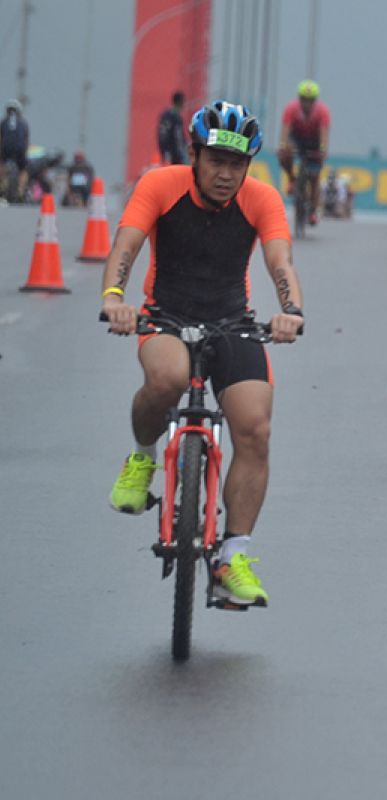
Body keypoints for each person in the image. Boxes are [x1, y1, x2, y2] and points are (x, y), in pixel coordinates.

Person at [100, 100, 304, 606]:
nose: (225, 174)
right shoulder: (160, 185)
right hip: (164, 314)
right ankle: (144, 458)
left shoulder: (261, 199)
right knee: (167, 380)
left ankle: (232, 556)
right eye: (215, 160)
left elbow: (281, 261)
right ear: (193, 155)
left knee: (255, 427)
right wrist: (114, 301)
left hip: (233, 321)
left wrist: (291, 310)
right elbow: (125, 247)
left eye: (237, 165)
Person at [277, 79, 331, 227]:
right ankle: (292, 179)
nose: (307, 104)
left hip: (314, 140)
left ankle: (313, 209)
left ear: (315, 101)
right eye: (304, 100)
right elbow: (285, 130)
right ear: (299, 99)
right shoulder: (291, 109)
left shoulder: (322, 112)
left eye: (310, 100)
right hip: (297, 138)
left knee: (314, 176)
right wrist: (282, 147)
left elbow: (324, 134)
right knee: (285, 152)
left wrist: (322, 150)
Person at [1, 99, 30, 199]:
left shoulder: (3, 122)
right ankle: (20, 190)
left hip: (6, 149)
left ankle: (3, 185)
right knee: (24, 170)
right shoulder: (23, 122)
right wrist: (25, 152)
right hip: (20, 150)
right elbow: (26, 139)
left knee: (2, 165)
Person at [157, 91, 189, 166]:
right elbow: (175, 137)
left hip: (172, 154)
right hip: (173, 154)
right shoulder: (172, 117)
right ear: (180, 102)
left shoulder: (170, 116)